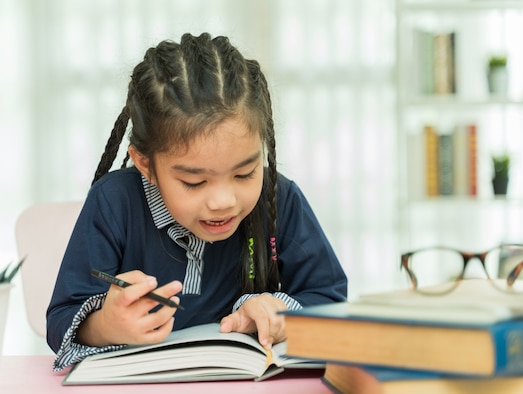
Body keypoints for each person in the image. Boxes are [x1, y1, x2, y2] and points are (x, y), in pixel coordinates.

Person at [47, 32, 348, 371]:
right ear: (146, 164)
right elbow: (61, 318)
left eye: (245, 173)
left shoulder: (280, 199)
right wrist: (105, 325)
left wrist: (279, 314)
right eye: (194, 182)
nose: (223, 201)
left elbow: (330, 299)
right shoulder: (114, 202)